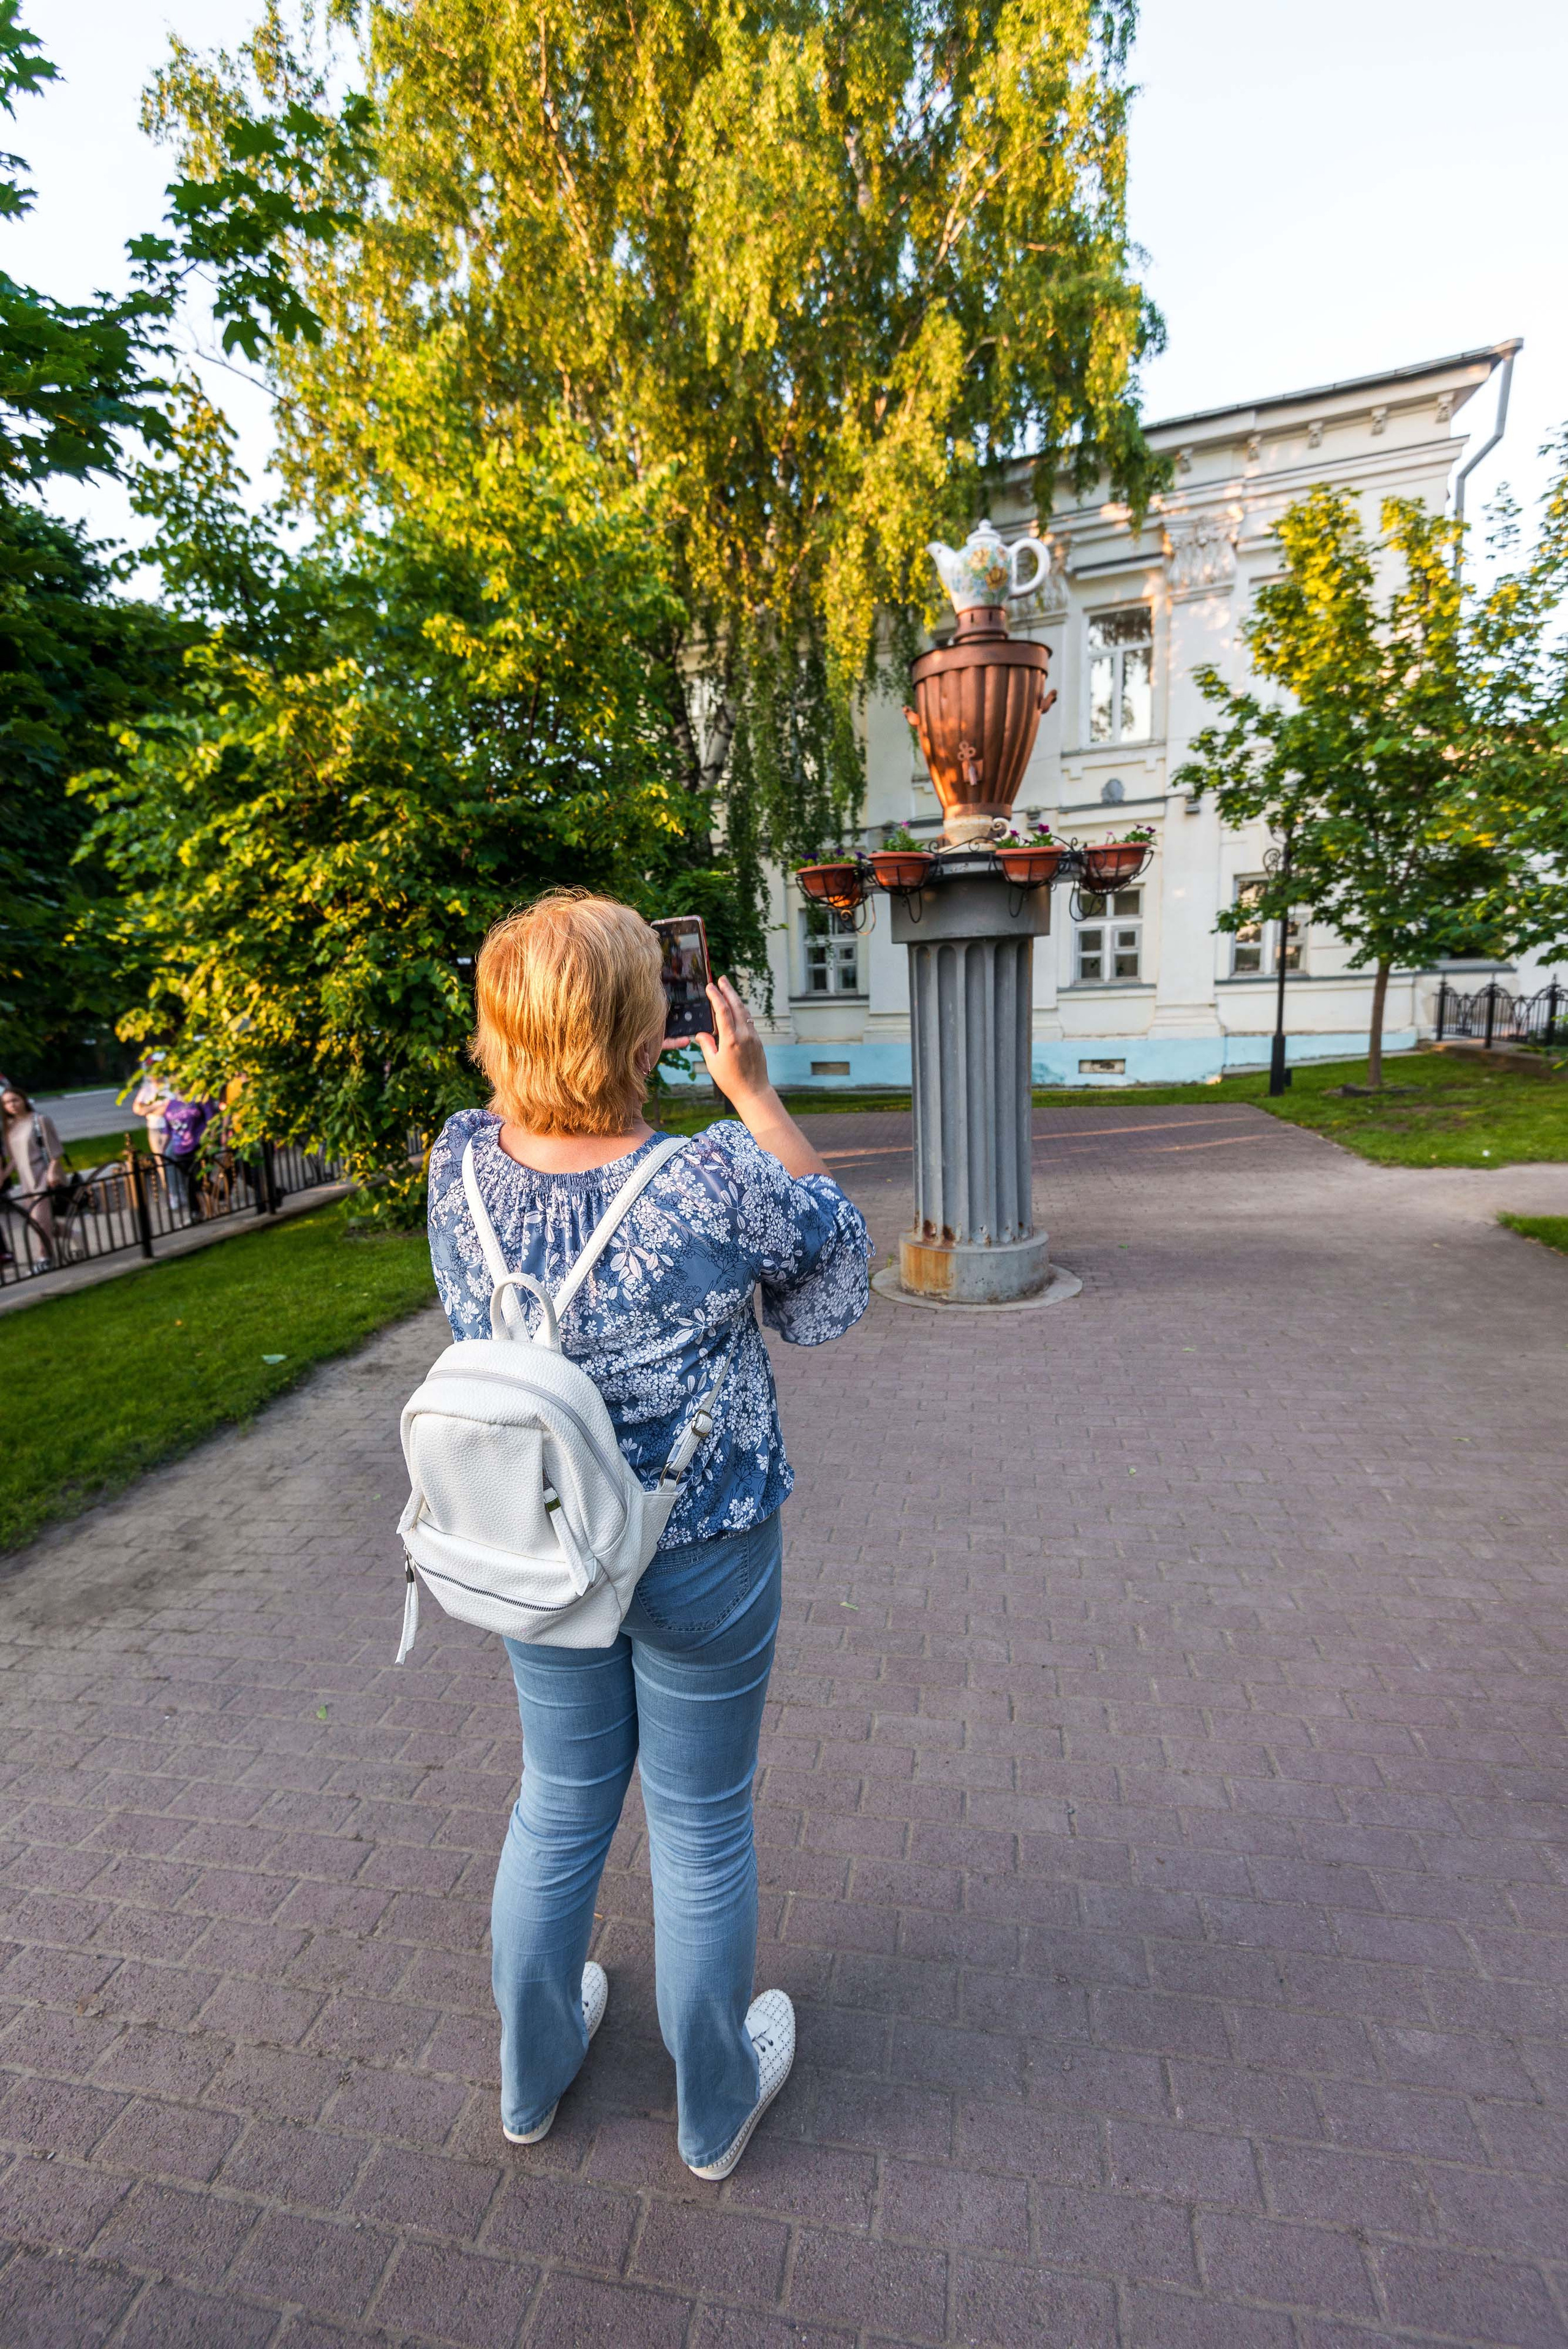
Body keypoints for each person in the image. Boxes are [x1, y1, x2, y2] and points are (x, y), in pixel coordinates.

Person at [427, 891, 870, 2179]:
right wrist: (755, 1097)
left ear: (500, 1032)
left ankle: (531, 2071)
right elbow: (832, 1287)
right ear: (641, 1037)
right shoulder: (703, 1179)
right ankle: (710, 2105)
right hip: (701, 1542)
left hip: (540, 1545)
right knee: (699, 1817)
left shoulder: (457, 1166)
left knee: (559, 1800)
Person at [2, 1085, 66, 1271]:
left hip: (42, 1174)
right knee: (37, 1220)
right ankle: (75, 1236)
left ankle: (44, 1258)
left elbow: (55, 1151)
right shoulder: (10, 1128)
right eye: (6, 1103)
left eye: (15, 1100)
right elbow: (14, 1158)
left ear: (24, 1100)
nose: (11, 1105)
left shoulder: (40, 1120)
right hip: (26, 1179)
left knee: (40, 1219)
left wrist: (53, 1171)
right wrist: (4, 1176)